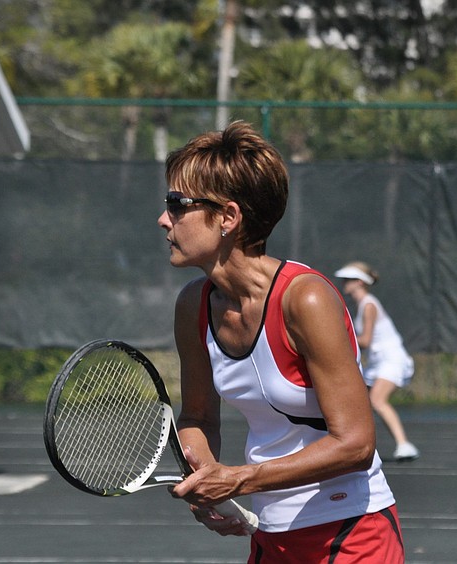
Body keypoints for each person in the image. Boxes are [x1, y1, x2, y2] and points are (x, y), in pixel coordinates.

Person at [158, 121, 404, 563]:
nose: (163, 219)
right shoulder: (192, 305)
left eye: (177, 205)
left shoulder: (306, 298)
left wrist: (237, 480)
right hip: (273, 534)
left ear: (228, 218)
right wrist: (203, 482)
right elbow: (196, 415)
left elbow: (356, 443)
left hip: (352, 533)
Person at [334, 262, 419, 462]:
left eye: (348, 280)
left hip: (391, 359)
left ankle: (405, 445)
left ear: (360, 283)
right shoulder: (363, 305)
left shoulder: (369, 305)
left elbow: (365, 340)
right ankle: (353, 445)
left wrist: (337, 339)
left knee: (377, 400)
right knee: (357, 401)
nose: (344, 283)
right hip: (378, 362)